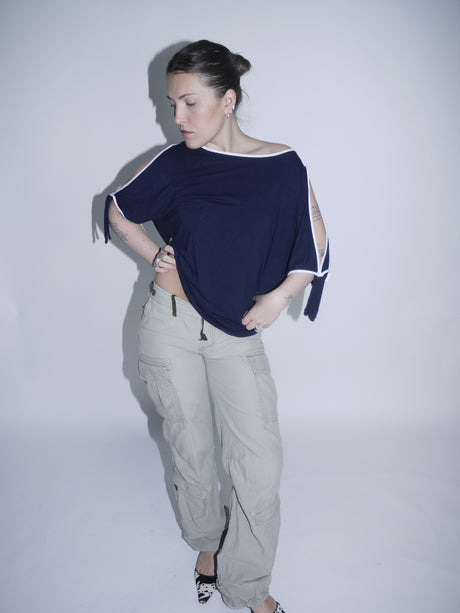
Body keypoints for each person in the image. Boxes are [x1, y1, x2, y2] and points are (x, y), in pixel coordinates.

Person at [104, 40, 329, 613]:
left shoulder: (282, 165)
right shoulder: (174, 162)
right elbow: (118, 210)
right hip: (169, 324)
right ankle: (208, 545)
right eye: (171, 104)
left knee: (258, 464)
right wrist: (153, 254)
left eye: (190, 103)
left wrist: (279, 298)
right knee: (191, 447)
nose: (177, 118)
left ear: (227, 100)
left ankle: (249, 588)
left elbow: (316, 240)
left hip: (235, 333)